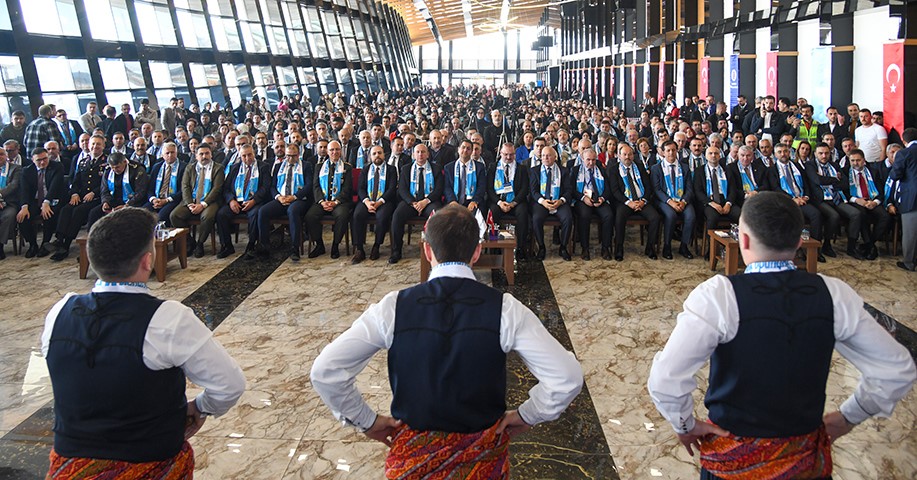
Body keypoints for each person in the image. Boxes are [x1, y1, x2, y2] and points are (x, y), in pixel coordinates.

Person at [647, 191, 916, 480]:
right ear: (800, 241)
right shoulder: (833, 293)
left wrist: (685, 425)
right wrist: (847, 418)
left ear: (743, 240)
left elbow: (665, 380)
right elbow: (896, 369)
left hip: (733, 461)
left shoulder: (718, 296)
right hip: (803, 462)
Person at [311, 204, 583, 478]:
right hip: (482, 460)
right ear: (477, 251)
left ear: (428, 251)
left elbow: (326, 371)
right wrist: (528, 414)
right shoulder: (506, 309)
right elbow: (567, 377)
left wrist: (367, 421)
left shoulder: (392, 307)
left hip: (413, 461)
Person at [42, 207, 245, 479]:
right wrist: (199, 407)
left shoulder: (59, 312)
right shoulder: (168, 319)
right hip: (149, 463)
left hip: (72, 466)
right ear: (148, 261)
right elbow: (229, 385)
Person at [49, 135, 108, 261]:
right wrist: (74, 193)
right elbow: (75, 181)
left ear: (103, 146)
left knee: (79, 211)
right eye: (92, 144)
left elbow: (108, 183)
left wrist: (94, 193)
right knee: (66, 209)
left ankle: (66, 243)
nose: (95, 146)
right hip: (80, 196)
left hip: (97, 197)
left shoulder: (107, 162)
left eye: (98, 144)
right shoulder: (83, 161)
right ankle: (60, 239)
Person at [256, 143, 313, 261]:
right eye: (288, 156)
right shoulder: (279, 166)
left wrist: (295, 197)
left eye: (294, 156)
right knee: (263, 211)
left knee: (292, 211)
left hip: (299, 199)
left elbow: (309, 186)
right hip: (281, 198)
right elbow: (272, 186)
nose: (291, 159)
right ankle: (265, 246)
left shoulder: (306, 166)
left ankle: (294, 247)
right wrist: (278, 197)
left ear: (299, 155)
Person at [389, 144, 443, 264]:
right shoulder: (406, 169)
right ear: (413, 154)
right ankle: (396, 250)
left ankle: (438, 251)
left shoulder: (436, 168)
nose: (420, 154)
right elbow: (402, 189)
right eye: (417, 152)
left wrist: (425, 201)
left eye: (423, 152)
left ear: (428, 154)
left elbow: (439, 189)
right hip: (411, 202)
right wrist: (413, 203)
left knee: (438, 215)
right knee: (397, 216)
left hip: (429, 201)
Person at [215, 144, 271, 259]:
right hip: (237, 201)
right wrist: (231, 200)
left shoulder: (263, 167)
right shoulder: (235, 168)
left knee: (255, 214)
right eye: (244, 156)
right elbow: (226, 188)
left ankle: (251, 245)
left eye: (249, 155)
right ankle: (227, 245)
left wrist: (254, 201)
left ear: (254, 154)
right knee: (221, 214)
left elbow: (265, 187)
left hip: (254, 201)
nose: (247, 158)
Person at [170, 143, 225, 258]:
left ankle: (200, 243)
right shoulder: (190, 167)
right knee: (174, 215)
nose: (204, 156)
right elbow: (185, 186)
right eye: (201, 154)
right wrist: (190, 204)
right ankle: (190, 242)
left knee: (207, 216)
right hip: (191, 200)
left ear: (211, 155)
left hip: (210, 201)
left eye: (207, 153)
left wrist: (203, 204)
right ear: (196, 156)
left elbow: (217, 189)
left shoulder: (218, 168)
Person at [608, 143, 660, 261]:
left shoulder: (640, 167)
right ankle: (619, 249)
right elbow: (615, 191)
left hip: (641, 200)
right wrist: (629, 202)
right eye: (624, 154)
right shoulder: (614, 169)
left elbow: (648, 187)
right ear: (619, 156)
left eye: (630, 154)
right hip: (624, 202)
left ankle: (650, 248)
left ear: (633, 155)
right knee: (619, 217)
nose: (627, 157)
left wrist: (643, 201)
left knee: (655, 217)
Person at [305, 140, 353, 259]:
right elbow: (315, 186)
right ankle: (319, 245)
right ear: (327, 151)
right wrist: (322, 201)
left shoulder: (347, 167)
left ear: (340, 151)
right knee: (310, 216)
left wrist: (335, 202)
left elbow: (347, 188)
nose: (334, 152)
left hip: (340, 202)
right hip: (322, 201)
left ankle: (335, 245)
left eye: (337, 149)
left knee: (342, 216)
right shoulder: (319, 167)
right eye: (331, 150)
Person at [351, 145, 397, 264]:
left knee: (382, 217)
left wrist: (379, 202)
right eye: (374, 153)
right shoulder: (365, 169)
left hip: (384, 201)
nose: (377, 155)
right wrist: (367, 202)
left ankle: (376, 246)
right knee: (357, 215)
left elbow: (392, 189)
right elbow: (361, 188)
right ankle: (359, 249)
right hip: (367, 200)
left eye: (379, 153)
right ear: (370, 156)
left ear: (384, 155)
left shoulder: (391, 169)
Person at [17, 147, 66, 258]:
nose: (43, 162)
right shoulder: (26, 171)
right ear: (33, 160)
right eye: (39, 160)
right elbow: (23, 191)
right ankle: (32, 244)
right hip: (34, 201)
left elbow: (55, 187)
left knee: (48, 213)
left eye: (45, 158)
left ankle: (45, 243)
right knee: (22, 217)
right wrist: (24, 206)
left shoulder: (57, 167)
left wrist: (46, 202)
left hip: (52, 199)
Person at [651, 140, 696, 260]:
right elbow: (657, 190)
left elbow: (690, 189)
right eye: (668, 150)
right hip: (664, 201)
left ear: (677, 151)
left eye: (673, 150)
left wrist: (683, 201)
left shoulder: (685, 168)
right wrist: (670, 202)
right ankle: (667, 246)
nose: (671, 153)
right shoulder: (656, 168)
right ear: (663, 152)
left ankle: (684, 246)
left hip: (682, 200)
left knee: (691, 215)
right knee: (671, 215)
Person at [693, 145, 740, 254]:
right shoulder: (700, 171)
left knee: (740, 216)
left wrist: (728, 203)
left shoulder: (727, 170)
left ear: (720, 156)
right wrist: (712, 203)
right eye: (710, 153)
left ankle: (736, 248)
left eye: (716, 153)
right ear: (706, 156)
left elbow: (733, 190)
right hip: (709, 202)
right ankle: (712, 249)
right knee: (712, 218)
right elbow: (698, 191)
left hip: (726, 201)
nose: (713, 156)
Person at [487, 142, 530, 260]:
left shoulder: (521, 168)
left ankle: (521, 247)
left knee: (523, 213)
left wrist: (513, 203)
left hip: (516, 202)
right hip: (498, 201)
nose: (508, 157)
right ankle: (494, 246)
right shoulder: (493, 167)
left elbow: (524, 189)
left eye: (511, 154)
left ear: (515, 154)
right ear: (500, 153)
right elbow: (489, 189)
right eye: (505, 154)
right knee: (492, 212)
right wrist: (500, 203)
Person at [846, 148, 890, 260]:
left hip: (872, 200)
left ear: (864, 160)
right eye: (853, 160)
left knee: (885, 217)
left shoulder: (873, 172)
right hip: (856, 201)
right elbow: (844, 193)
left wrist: (875, 203)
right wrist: (857, 200)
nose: (855, 163)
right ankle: (870, 246)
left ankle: (869, 244)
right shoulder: (845, 172)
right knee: (861, 215)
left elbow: (881, 191)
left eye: (858, 160)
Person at [530, 146, 573, 261]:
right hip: (542, 202)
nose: (545, 158)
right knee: (536, 218)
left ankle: (563, 247)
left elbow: (569, 190)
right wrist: (542, 201)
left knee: (568, 218)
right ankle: (542, 247)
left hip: (559, 202)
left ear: (555, 157)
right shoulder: (535, 171)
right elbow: (533, 191)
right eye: (543, 155)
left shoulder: (563, 171)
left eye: (548, 156)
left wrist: (561, 201)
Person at [86, 152, 150, 230]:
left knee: (125, 216)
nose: (115, 170)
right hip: (114, 201)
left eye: (117, 167)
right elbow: (104, 189)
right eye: (113, 167)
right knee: (94, 213)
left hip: (133, 202)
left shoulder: (137, 170)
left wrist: (127, 205)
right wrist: (105, 202)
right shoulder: (108, 170)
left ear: (125, 162)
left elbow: (141, 192)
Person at [570, 148, 614, 260]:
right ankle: (585, 248)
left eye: (594, 160)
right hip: (582, 199)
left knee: (608, 215)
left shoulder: (601, 170)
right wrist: (583, 198)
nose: (591, 163)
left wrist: (602, 199)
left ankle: (605, 248)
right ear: (582, 159)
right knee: (584, 215)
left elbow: (609, 189)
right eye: (588, 160)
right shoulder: (575, 170)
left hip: (599, 198)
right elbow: (571, 190)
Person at [890, 128, 917, 271]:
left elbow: (895, 175)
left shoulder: (904, 153)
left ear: (904, 140)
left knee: (910, 232)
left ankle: (909, 262)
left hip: (911, 197)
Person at [144, 142, 186, 226]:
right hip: (157, 199)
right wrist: (153, 199)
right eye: (167, 153)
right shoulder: (157, 167)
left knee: (161, 217)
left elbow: (183, 190)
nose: (170, 155)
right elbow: (150, 188)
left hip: (173, 200)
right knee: (142, 214)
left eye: (172, 152)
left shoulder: (184, 167)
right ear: (163, 155)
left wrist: (166, 200)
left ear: (176, 153)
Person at [443, 139, 486, 213]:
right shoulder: (449, 167)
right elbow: (447, 187)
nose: (465, 150)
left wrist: (474, 201)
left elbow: (481, 187)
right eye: (463, 147)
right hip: (454, 201)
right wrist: (452, 201)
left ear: (472, 151)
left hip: (472, 201)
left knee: (476, 214)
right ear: (458, 149)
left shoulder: (479, 167)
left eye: (468, 148)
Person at [0, 147, 21, 260]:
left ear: (6, 156)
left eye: (1, 154)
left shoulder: (15, 169)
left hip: (9, 203)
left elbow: (13, 186)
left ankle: (0, 245)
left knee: (7, 216)